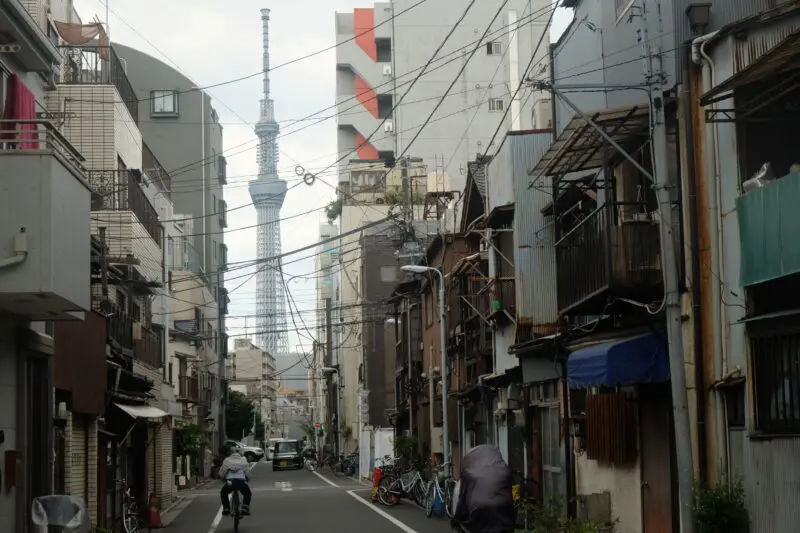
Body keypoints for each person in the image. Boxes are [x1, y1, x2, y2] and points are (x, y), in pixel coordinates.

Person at [451, 444, 515, 533]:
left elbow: (460, 500)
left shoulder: (468, 475)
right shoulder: (503, 471)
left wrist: (456, 521)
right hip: (503, 516)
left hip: (477, 516)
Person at [219, 445, 252, 516]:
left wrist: (223, 479)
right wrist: (248, 479)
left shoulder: (227, 460)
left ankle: (226, 508)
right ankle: (245, 507)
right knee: (247, 493)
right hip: (241, 482)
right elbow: (247, 472)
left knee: (223, 492)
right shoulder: (243, 460)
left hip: (230, 482)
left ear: (230, 453)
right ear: (240, 453)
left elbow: (222, 472)